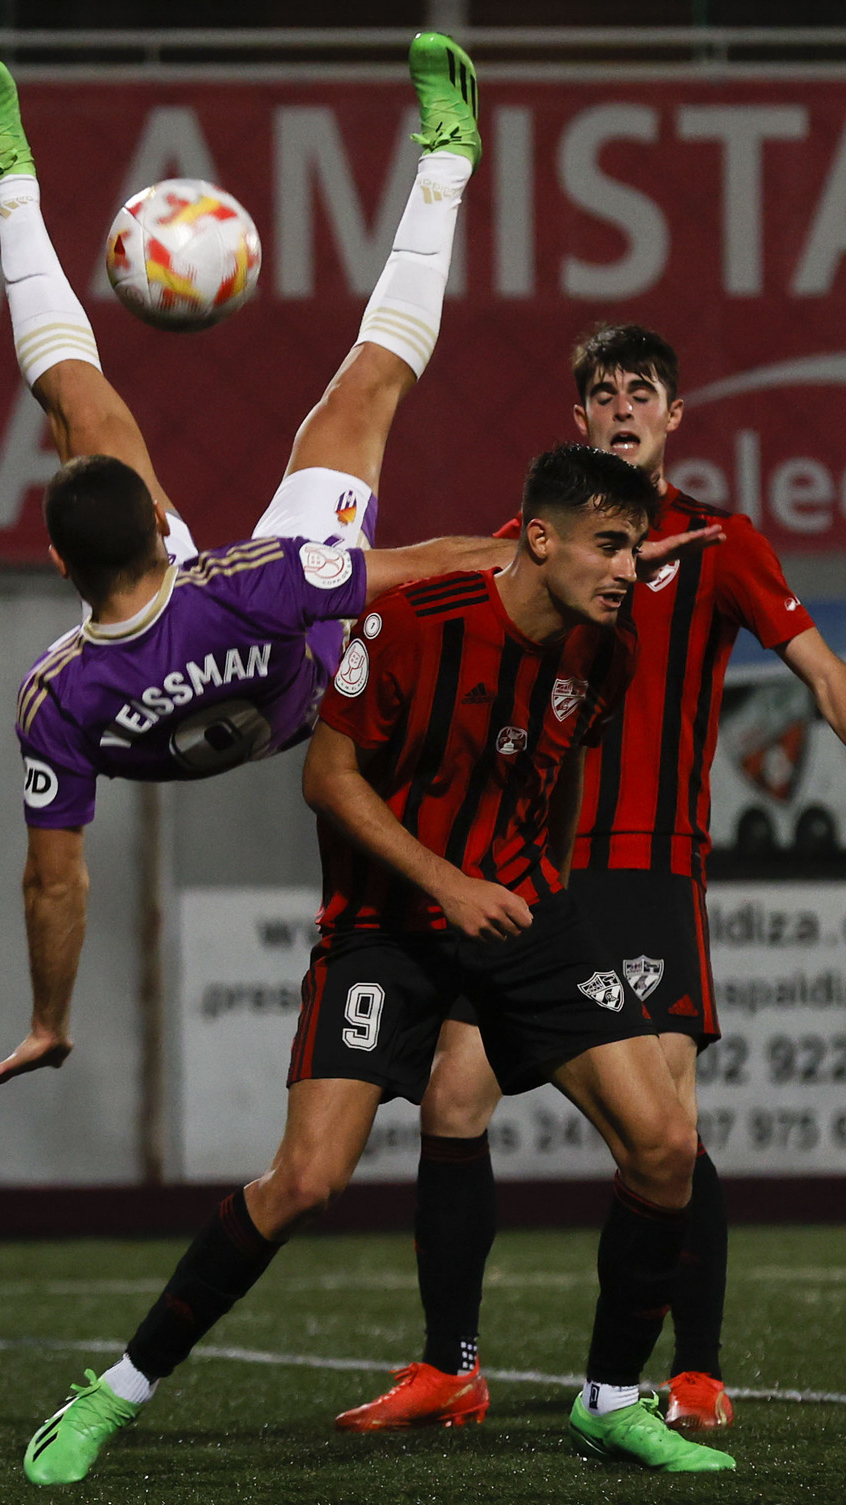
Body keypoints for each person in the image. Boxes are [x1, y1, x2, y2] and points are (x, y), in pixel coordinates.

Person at [14, 435, 735, 1484]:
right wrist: (445, 881)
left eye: (634, 547)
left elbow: (559, 773)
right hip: (385, 924)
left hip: (519, 910)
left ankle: (610, 1397)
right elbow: (329, 778)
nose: (629, 568)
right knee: (305, 1178)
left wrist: (547, 888)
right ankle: (113, 1389)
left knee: (664, 1143)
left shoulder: (603, 646)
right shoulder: (413, 623)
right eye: (609, 545)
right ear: (538, 538)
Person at [0, 36, 521, 1098]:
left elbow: (54, 880)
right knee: (365, 389)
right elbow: (441, 563)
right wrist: (551, 553)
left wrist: (48, 1018)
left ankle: (7, 180)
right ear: (163, 525)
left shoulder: (55, 701)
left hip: (197, 673)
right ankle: (447, 160)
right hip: (293, 660)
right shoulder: (253, 581)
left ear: (56, 560)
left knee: (79, 401)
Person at [336, 321, 846, 1438]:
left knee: (662, 1126)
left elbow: (819, 672)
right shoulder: (543, 545)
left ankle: (696, 1368)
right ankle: (449, 1363)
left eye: (642, 391)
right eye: (604, 392)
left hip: (645, 865)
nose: (622, 407)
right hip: (524, 870)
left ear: (674, 415)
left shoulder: (720, 543)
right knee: (453, 1100)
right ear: (580, 421)